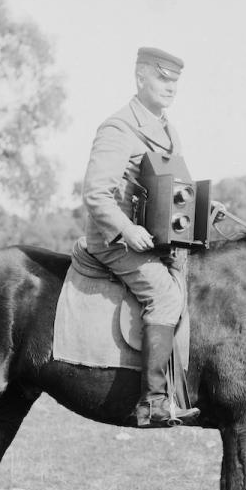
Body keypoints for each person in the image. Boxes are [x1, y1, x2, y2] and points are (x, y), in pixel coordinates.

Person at [81, 47, 201, 428]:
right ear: (140, 78)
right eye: (163, 79)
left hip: (157, 240)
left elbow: (172, 189)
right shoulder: (119, 129)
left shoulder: (168, 129)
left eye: (175, 82)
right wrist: (126, 230)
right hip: (115, 241)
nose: (171, 88)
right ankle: (152, 401)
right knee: (164, 295)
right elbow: (96, 193)